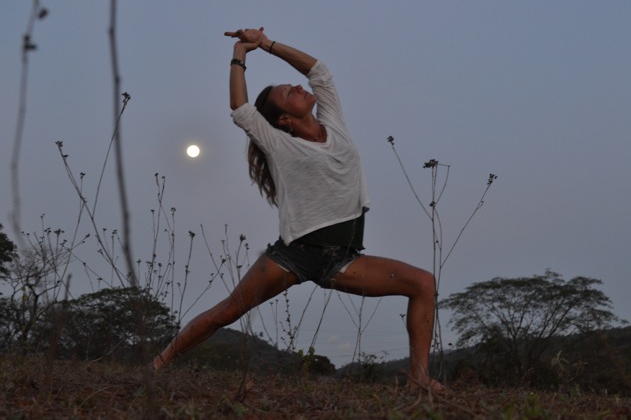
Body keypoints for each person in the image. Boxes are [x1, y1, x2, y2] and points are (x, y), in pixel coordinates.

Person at [152, 27, 443, 392]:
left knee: (423, 284)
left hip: (343, 260)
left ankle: (418, 378)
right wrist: (240, 55)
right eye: (287, 93)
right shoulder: (277, 144)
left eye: (293, 85)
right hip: (293, 256)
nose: (297, 87)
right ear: (283, 121)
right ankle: (158, 365)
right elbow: (240, 109)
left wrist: (268, 44)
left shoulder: (332, 123)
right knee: (226, 312)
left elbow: (318, 71)